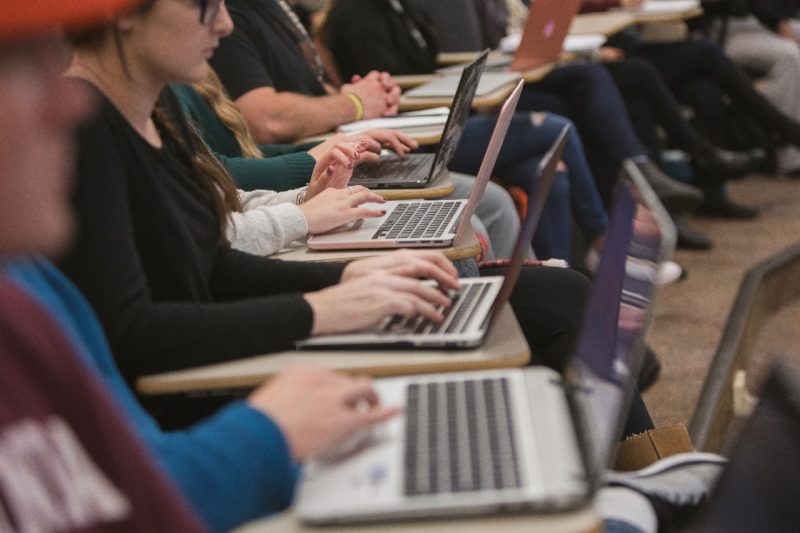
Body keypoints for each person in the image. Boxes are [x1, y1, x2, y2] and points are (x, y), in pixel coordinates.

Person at [62, 0, 593, 394]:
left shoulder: (159, 115)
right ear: (122, 11)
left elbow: (213, 267)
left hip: (239, 346)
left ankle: (627, 481)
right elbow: (133, 333)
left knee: (559, 292)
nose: (222, 24)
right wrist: (322, 309)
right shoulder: (81, 131)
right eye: (204, 5)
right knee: (545, 308)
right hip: (214, 392)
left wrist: (350, 279)